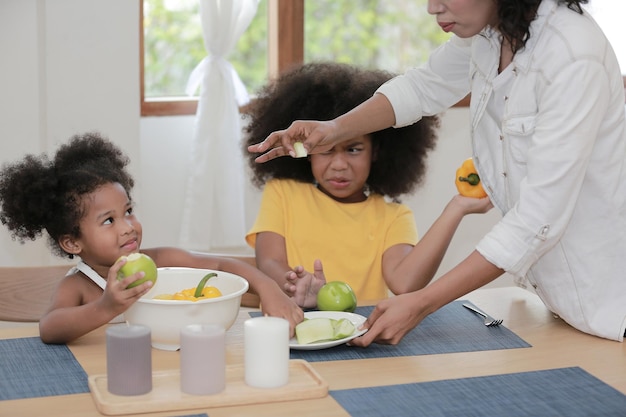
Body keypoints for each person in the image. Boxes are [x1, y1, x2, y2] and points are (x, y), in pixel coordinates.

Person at [248, 0, 626, 343]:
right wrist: (334, 128)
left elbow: (537, 220)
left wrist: (422, 303)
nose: (432, 7)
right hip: (558, 304)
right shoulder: (490, 34)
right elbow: (423, 86)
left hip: (610, 305)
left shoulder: (574, 57)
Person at [0, 132, 303, 344]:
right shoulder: (79, 286)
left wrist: (268, 288)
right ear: (72, 243)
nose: (128, 226)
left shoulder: (161, 261)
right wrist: (107, 306)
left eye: (128, 211)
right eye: (109, 220)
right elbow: (49, 328)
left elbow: (222, 264)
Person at [243, 62, 492, 308]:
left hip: (365, 338)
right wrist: (297, 285)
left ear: (376, 152)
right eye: (326, 151)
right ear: (307, 153)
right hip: (296, 329)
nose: (339, 164)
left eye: (353, 149)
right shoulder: (283, 193)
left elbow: (404, 284)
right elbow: (269, 261)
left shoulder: (393, 217)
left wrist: (456, 208)